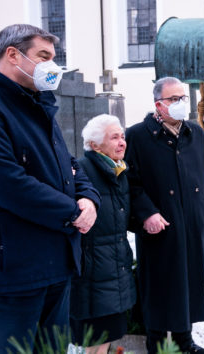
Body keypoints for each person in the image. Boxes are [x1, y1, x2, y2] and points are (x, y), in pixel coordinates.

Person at [0, 24, 100, 353]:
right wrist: (73, 212)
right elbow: (7, 184)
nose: (52, 66)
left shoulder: (38, 106)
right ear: (12, 55)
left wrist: (88, 197)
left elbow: (68, 164)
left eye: (54, 58)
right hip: (13, 269)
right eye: (43, 56)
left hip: (55, 261)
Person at [125, 77, 204, 354]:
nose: (182, 103)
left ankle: (184, 342)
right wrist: (146, 213)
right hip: (160, 226)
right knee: (159, 285)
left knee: (189, 283)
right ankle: (156, 345)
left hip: (194, 222)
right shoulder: (137, 136)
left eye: (184, 98)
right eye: (174, 99)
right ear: (159, 104)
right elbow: (130, 183)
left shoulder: (195, 132)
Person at [70, 114, 136, 353]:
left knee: (106, 337)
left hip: (113, 270)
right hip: (93, 274)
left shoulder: (118, 171)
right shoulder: (82, 171)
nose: (122, 142)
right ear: (95, 145)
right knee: (95, 340)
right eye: (114, 137)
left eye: (123, 136)